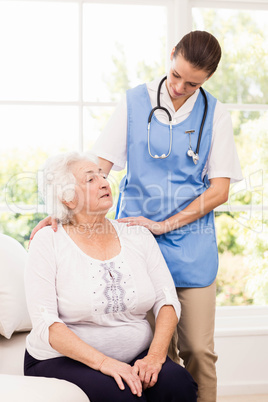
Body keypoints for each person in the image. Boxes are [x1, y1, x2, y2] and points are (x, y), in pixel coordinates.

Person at [30, 31, 243, 401]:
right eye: (175, 75)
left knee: (198, 351)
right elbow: (96, 168)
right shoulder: (134, 103)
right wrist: (61, 211)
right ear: (171, 55)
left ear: (208, 79)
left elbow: (220, 189)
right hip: (131, 241)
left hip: (190, 245)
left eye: (193, 83)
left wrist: (163, 225)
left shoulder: (216, 114)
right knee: (153, 354)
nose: (179, 87)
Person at [24, 151, 198, 402]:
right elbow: (46, 324)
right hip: (62, 360)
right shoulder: (47, 241)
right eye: (90, 179)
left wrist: (155, 357)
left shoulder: (137, 235)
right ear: (68, 198)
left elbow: (167, 299)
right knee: (123, 395)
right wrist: (105, 363)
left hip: (138, 354)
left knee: (177, 384)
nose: (104, 182)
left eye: (102, 176)